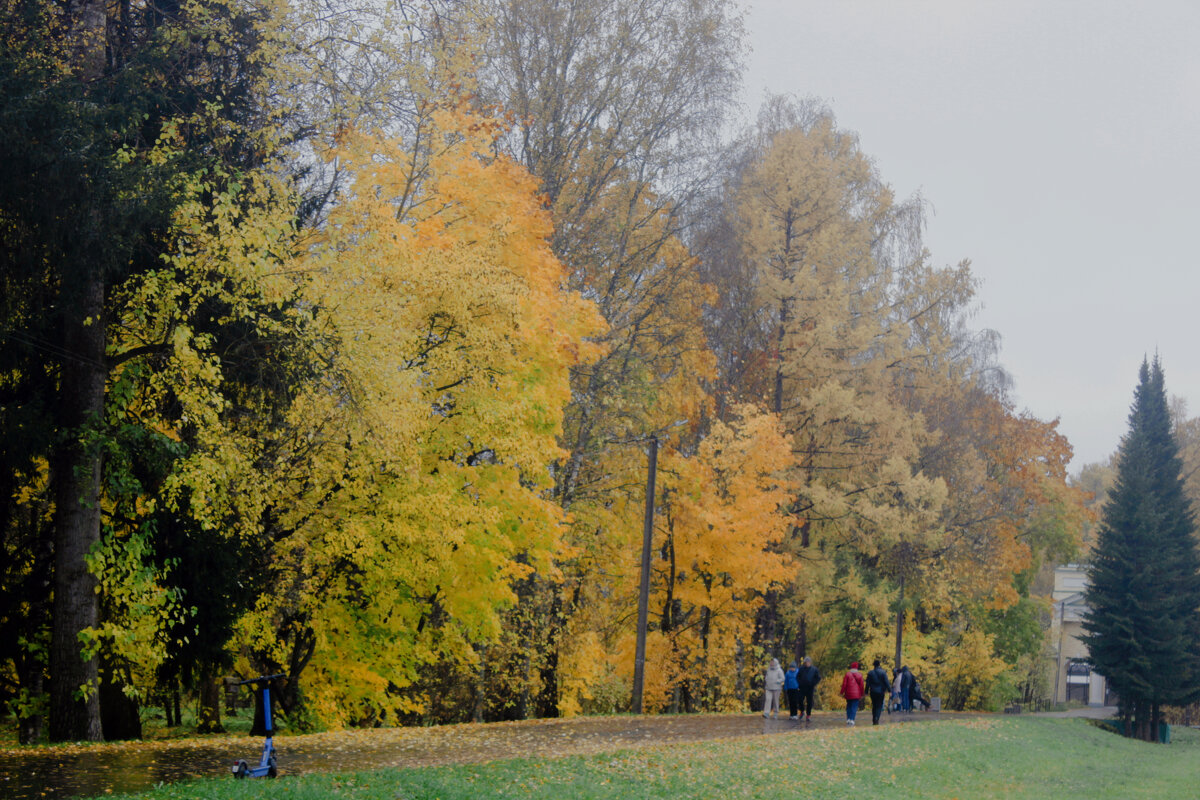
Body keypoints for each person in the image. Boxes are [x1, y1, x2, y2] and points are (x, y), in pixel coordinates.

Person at [865, 660, 891, 725]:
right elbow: (886, 682)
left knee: (874, 705)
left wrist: (866, 692)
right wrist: (890, 690)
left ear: (874, 665)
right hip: (881, 691)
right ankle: (877, 718)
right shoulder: (883, 672)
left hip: (873, 691)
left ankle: (874, 718)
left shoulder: (870, 673)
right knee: (879, 705)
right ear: (879, 664)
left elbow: (867, 684)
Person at [839, 661, 865, 726]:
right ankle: (852, 719)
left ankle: (848, 719)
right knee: (854, 706)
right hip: (856, 694)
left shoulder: (847, 674)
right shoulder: (859, 675)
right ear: (857, 667)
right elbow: (861, 686)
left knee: (849, 706)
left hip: (848, 693)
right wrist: (862, 694)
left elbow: (844, 684)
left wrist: (842, 692)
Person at [796, 656, 821, 722]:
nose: (807, 663)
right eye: (805, 662)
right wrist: (800, 683)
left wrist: (813, 683)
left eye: (808, 662)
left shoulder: (814, 669)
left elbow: (818, 678)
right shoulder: (801, 669)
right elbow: (797, 677)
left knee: (809, 702)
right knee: (800, 700)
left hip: (810, 688)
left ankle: (808, 715)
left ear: (810, 662)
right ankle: (802, 711)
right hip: (802, 687)